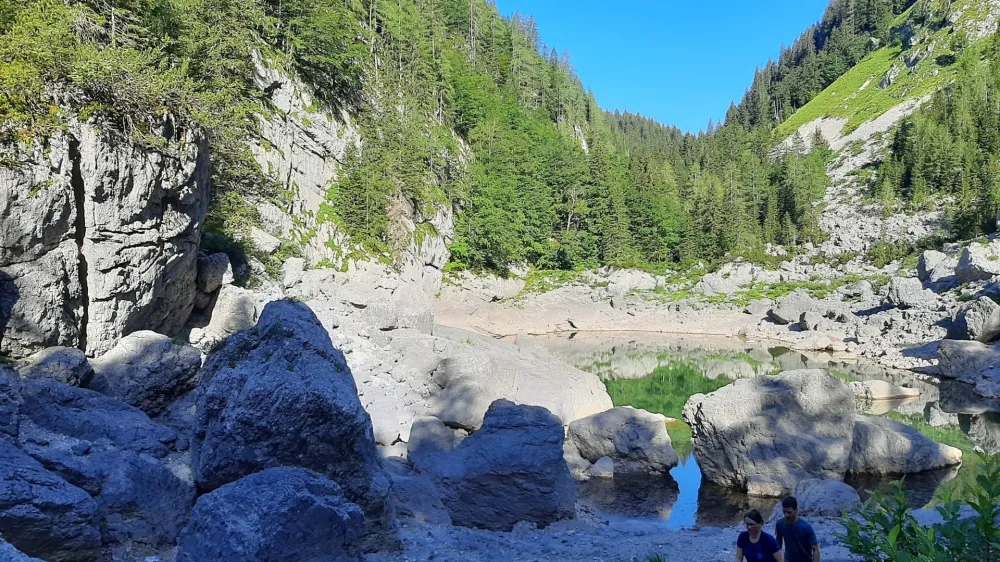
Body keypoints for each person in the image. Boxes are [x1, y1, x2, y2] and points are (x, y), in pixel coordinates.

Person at [775, 497, 821, 562]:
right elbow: (778, 545)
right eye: (784, 512)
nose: (786, 515)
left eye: (789, 512)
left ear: (796, 510)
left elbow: (815, 549)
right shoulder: (780, 524)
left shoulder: (805, 527)